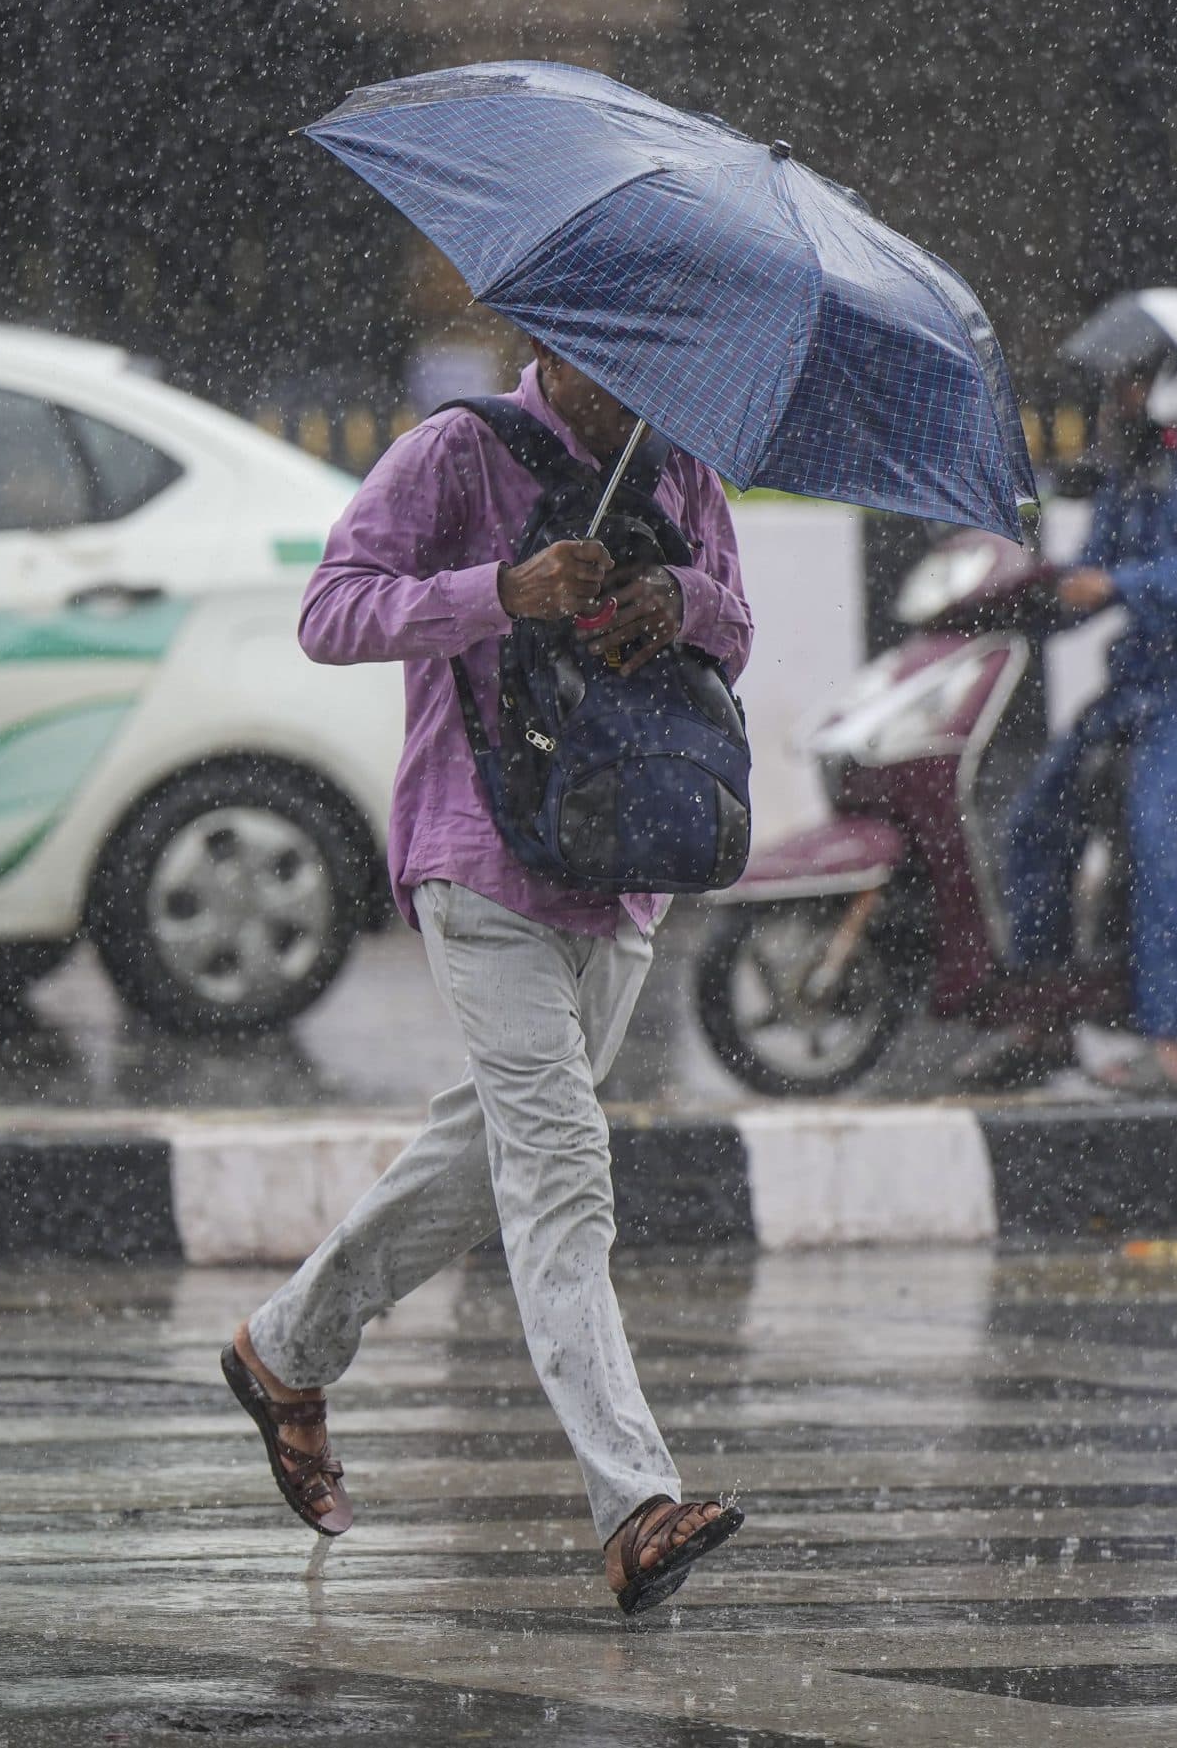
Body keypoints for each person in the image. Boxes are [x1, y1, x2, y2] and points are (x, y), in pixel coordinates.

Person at [222, 343, 752, 1614]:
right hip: (480, 858)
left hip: (626, 863)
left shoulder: (681, 466)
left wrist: (670, 601)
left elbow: (734, 621)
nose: (631, 381)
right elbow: (331, 609)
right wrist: (497, 589)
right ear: (554, 341)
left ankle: (284, 1348)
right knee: (562, 1165)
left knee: (486, 1151)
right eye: (608, 354)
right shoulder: (457, 451)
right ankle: (633, 1502)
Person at [990, 289, 1177, 1094]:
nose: (1117, 395)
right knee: (1034, 823)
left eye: (1132, 377)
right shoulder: (1148, 459)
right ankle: (1045, 1018)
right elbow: (1092, 567)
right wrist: (1023, 596)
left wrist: (1116, 584)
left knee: (1159, 823)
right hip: (1144, 690)